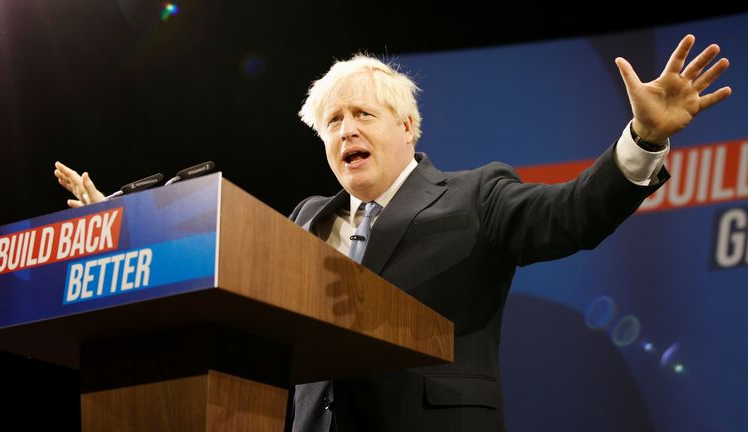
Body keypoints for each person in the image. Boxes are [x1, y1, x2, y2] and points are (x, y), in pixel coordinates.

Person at [55, 34, 730, 431]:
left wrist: (642, 139)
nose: (346, 130)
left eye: (362, 115)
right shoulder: (302, 220)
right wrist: (121, 225)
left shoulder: (475, 193)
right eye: (332, 123)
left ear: (408, 127)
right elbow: (214, 267)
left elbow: (571, 214)